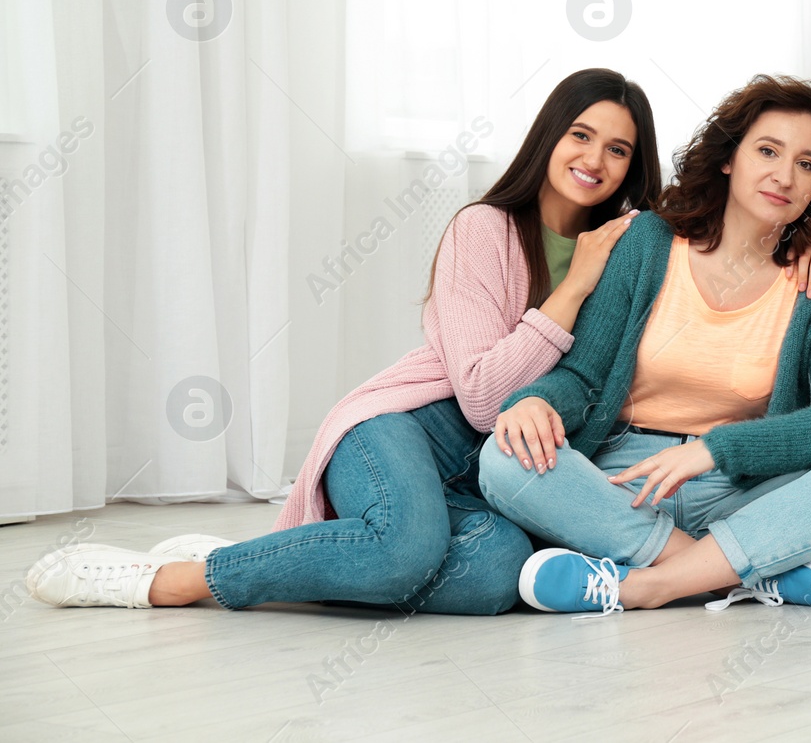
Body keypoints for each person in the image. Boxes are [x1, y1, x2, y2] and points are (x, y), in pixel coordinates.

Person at [29, 69, 660, 613]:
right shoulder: (484, 228)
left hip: (486, 473)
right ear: (550, 135)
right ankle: (172, 581)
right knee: (404, 550)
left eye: (618, 149)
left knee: (498, 575)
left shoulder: (628, 256)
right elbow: (483, 398)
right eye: (581, 135)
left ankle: (284, 561)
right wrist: (572, 289)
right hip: (405, 428)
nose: (595, 160)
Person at [477, 75, 811, 615]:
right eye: (768, 151)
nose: (784, 175)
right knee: (501, 455)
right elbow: (582, 377)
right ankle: (729, 573)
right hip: (621, 480)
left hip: (738, 485)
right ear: (729, 159)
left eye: (806, 164)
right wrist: (537, 401)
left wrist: (719, 449)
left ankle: (642, 586)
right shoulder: (648, 242)